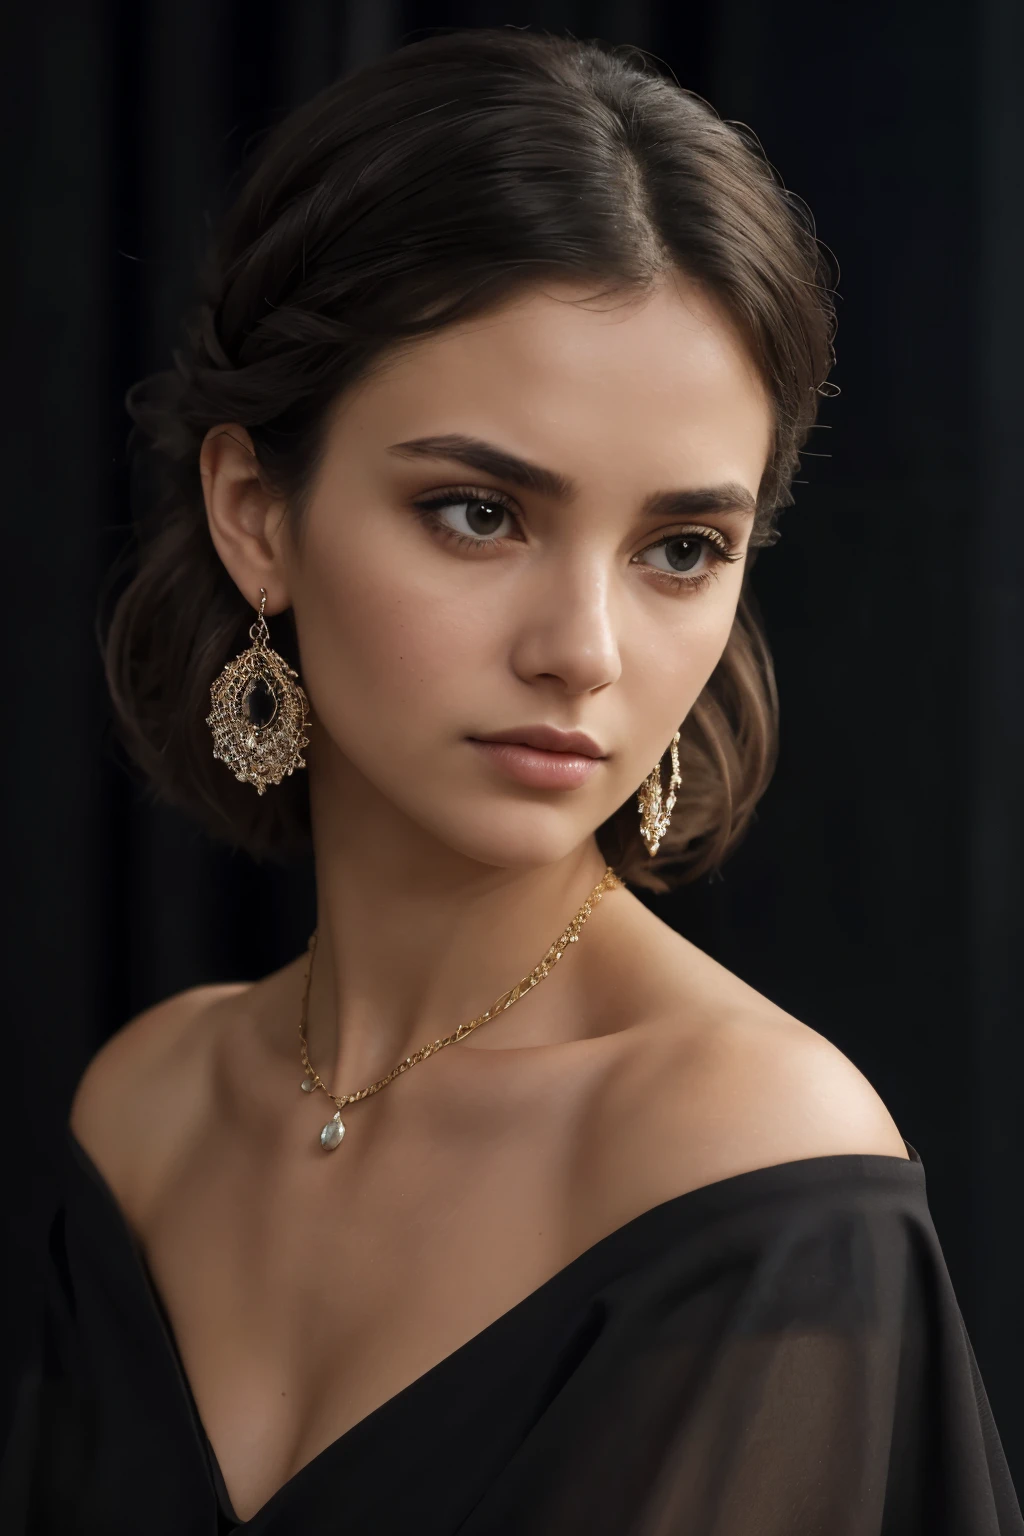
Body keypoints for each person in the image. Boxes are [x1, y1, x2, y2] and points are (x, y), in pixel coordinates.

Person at [2, 26, 1020, 1536]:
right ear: (254, 513)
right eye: (478, 513)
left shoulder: (753, 1161)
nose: (586, 652)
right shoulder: (146, 1112)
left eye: (683, 550)